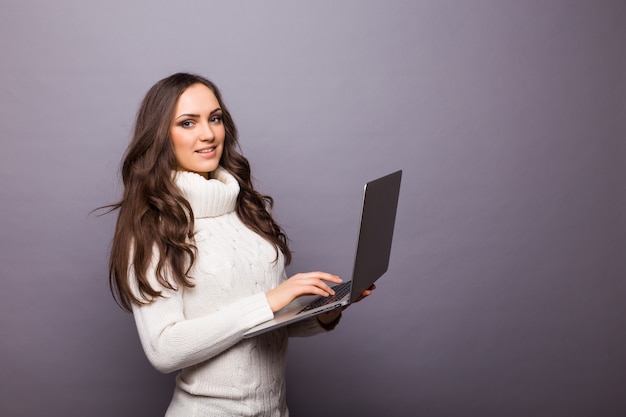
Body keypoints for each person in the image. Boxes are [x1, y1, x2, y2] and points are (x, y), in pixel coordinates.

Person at [107, 72, 374, 416]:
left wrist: (324, 313)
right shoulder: (151, 225)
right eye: (188, 123)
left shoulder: (243, 206)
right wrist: (268, 300)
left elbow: (261, 326)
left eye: (214, 118)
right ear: (160, 136)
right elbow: (164, 348)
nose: (208, 133)